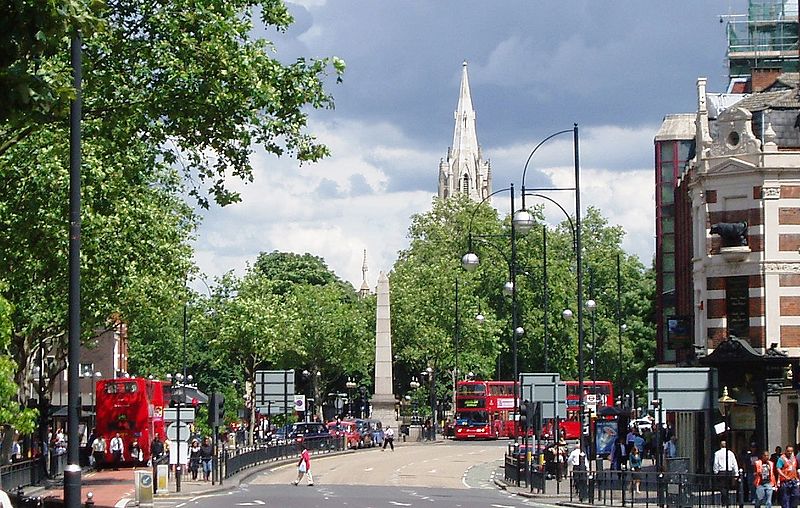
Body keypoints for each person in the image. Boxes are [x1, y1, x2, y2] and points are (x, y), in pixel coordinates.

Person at [713, 440, 739, 505]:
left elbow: (715, 463)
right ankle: (726, 500)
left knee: (722, 487)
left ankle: (725, 501)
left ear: (720, 445)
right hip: (729, 471)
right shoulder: (730, 453)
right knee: (727, 486)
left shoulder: (717, 453)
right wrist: (736, 473)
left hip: (721, 471)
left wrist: (715, 472)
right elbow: (734, 463)